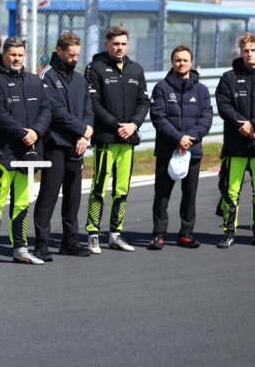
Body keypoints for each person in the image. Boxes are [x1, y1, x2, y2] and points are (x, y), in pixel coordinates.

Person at [0, 36, 51, 268]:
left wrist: (36, 132)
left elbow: (46, 109)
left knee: (21, 202)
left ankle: (20, 249)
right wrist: (22, 133)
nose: (17, 58)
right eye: (12, 55)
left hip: (26, 153)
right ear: (4, 54)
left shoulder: (34, 81)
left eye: (20, 55)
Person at [84, 25, 150, 253]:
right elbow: (93, 103)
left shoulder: (136, 70)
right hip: (106, 137)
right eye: (115, 44)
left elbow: (144, 102)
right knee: (99, 187)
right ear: (107, 45)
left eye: (123, 44)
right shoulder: (95, 68)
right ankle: (93, 233)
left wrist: (133, 125)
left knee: (122, 189)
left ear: (128, 44)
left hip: (128, 139)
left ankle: (115, 234)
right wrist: (115, 124)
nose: (119, 48)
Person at [33, 33, 94, 260]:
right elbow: (54, 111)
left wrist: (84, 135)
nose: (74, 59)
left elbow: (89, 109)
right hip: (54, 145)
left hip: (76, 145)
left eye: (77, 55)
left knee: (73, 196)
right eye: (70, 55)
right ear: (58, 51)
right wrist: (80, 129)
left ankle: (70, 241)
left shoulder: (79, 78)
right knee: (48, 195)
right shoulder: (44, 76)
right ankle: (41, 243)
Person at [147, 46, 213, 250]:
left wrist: (189, 139)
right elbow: (158, 117)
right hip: (168, 150)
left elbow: (206, 118)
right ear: (172, 62)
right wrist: (178, 138)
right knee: (162, 194)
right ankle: (158, 234)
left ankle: (185, 234)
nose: (181, 63)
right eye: (177, 60)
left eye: (185, 60)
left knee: (190, 194)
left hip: (192, 150)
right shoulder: (161, 88)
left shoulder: (201, 90)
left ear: (191, 63)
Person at [215, 33, 255, 248]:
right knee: (231, 191)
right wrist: (243, 125)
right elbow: (223, 105)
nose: (249, 54)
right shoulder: (229, 77)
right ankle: (228, 232)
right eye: (246, 50)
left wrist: (253, 125)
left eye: (253, 50)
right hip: (235, 145)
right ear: (241, 52)